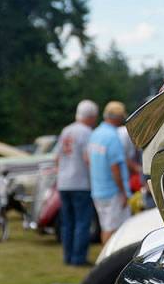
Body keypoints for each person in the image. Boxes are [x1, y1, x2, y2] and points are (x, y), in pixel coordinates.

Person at [56, 99, 98, 266]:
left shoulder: (66, 130)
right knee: (82, 222)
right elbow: (88, 159)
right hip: (80, 182)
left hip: (64, 182)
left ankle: (67, 256)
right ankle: (78, 258)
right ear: (90, 116)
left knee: (67, 222)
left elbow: (57, 158)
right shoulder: (86, 132)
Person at [88, 101, 130, 245]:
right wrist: (124, 192)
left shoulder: (95, 134)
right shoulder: (113, 137)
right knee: (113, 230)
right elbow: (115, 168)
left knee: (106, 227)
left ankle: (107, 262)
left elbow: (87, 159)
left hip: (98, 190)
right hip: (113, 192)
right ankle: (108, 263)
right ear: (117, 117)